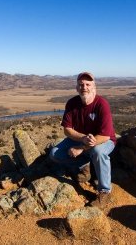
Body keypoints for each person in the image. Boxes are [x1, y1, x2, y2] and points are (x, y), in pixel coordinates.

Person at [49, 71, 116, 208]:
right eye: (81, 84)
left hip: (102, 140)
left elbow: (105, 135)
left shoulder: (102, 104)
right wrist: (82, 138)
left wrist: (81, 148)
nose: (84, 87)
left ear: (94, 87)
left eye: (87, 84)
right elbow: (67, 130)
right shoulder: (72, 103)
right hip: (82, 139)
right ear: (77, 87)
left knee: (98, 152)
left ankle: (104, 191)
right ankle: (84, 166)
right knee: (55, 153)